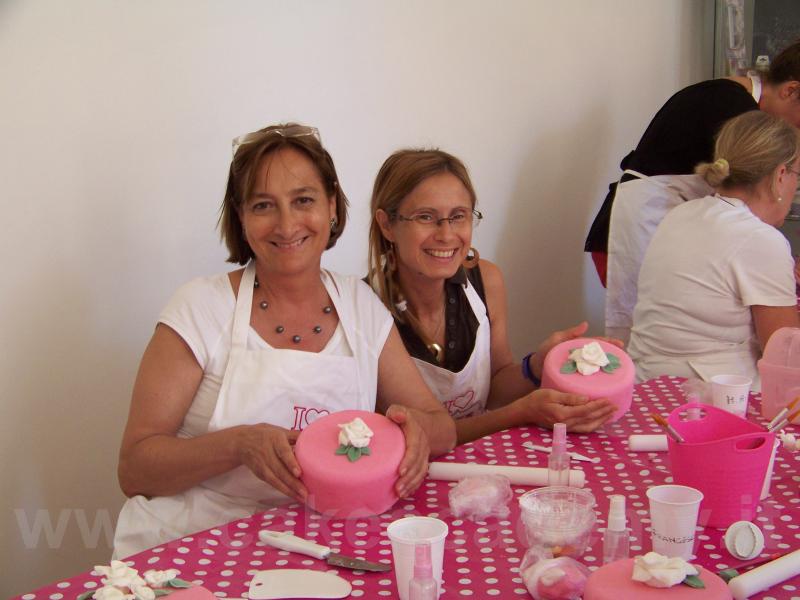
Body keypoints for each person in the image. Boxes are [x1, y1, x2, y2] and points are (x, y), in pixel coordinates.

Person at [114, 124, 456, 558]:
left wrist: (414, 431)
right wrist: (239, 445)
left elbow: (441, 426)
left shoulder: (360, 306)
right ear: (241, 218)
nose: (287, 223)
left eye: (303, 200)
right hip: (191, 543)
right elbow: (135, 469)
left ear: (332, 206)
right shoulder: (201, 307)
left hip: (318, 544)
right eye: (263, 205)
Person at [367, 149, 618, 445]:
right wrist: (522, 412)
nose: (446, 235)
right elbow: (429, 435)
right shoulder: (365, 308)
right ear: (387, 225)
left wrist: (538, 365)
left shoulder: (486, 281)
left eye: (458, 216)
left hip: (484, 454)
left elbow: (495, 389)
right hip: (413, 465)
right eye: (426, 217)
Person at [584, 39, 800, 345]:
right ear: (790, 90)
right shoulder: (731, 106)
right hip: (640, 229)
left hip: (656, 225)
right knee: (643, 338)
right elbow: (758, 204)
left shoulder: (729, 97)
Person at [628, 110, 800, 387]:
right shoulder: (759, 238)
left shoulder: (682, 213)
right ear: (781, 175)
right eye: (797, 176)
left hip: (646, 383)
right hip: (711, 393)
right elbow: (786, 356)